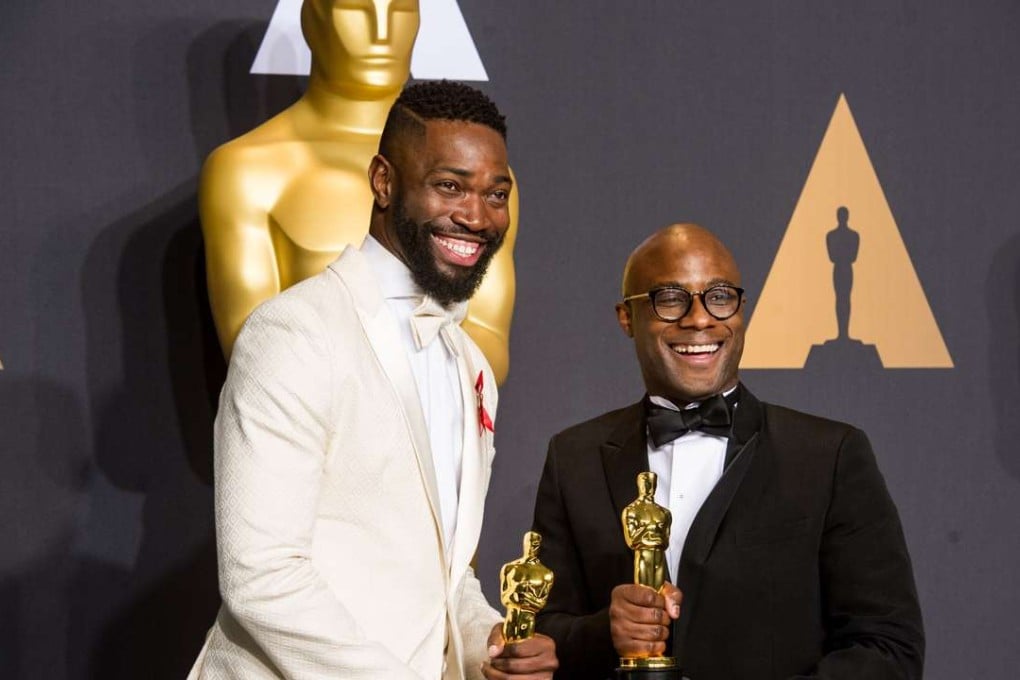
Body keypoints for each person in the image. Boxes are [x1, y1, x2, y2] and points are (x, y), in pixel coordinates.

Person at [188, 81, 556, 680]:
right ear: (383, 181)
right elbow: (262, 574)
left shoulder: (471, 364)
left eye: (497, 193)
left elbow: (444, 570)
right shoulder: (294, 333)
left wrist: (487, 638)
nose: (477, 215)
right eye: (449, 185)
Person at [531, 224, 923, 679]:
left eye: (719, 297)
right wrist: (605, 633)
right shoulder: (573, 458)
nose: (700, 319)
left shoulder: (829, 456)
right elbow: (539, 633)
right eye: (671, 298)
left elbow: (888, 648)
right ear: (626, 317)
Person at [201, 0, 517, 383]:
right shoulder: (248, 172)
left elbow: (489, 342)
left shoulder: (485, 185)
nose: (382, 34)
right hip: (309, 432)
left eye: (401, 11)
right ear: (312, 20)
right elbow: (254, 357)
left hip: (446, 433)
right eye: (355, 10)